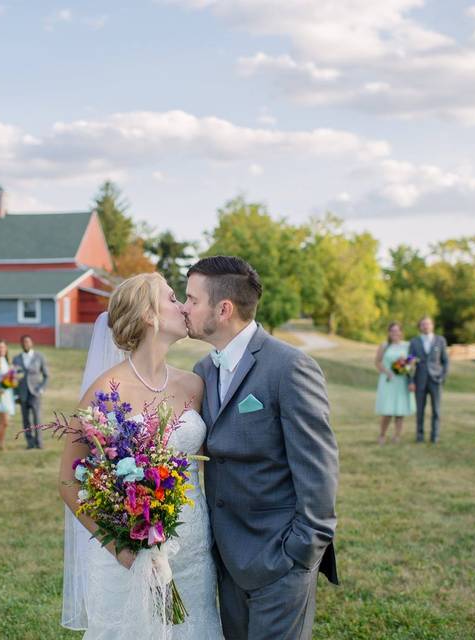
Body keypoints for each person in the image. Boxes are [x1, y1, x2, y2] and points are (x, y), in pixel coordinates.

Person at [58, 272, 223, 639]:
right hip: (128, 556)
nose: (182, 306)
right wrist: (121, 549)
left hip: (192, 548)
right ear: (149, 314)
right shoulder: (104, 392)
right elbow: (69, 480)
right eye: (171, 298)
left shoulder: (194, 385)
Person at [185, 256, 339, 640]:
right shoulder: (203, 370)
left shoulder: (289, 367)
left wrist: (300, 552)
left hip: (279, 558)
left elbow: (318, 469)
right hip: (226, 558)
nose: (184, 308)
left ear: (223, 309)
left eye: (191, 299)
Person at [408, 316, 449, 443]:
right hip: (419, 380)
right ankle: (419, 435)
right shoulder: (414, 342)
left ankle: (434, 435)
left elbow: (445, 361)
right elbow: (409, 363)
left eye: (428, 324)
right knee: (420, 410)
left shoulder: (440, 340)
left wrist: (442, 377)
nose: (426, 326)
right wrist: (410, 381)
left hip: (435, 380)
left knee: (436, 410)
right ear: (420, 327)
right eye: (423, 324)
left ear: (432, 325)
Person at [374, 321, 416, 444]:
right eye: (392, 331)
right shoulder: (384, 345)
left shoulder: (407, 346)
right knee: (387, 411)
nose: (395, 333)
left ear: (401, 332)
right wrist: (387, 372)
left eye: (397, 330)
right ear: (389, 332)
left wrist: (404, 364)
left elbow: (412, 362)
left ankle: (397, 436)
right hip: (388, 381)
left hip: (402, 381)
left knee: (399, 410)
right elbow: (377, 362)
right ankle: (382, 435)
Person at [13, 335, 48, 449]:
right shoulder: (16, 359)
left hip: (35, 392)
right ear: (21, 344)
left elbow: (46, 376)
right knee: (25, 419)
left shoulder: (39, 357)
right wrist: (15, 394)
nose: (25, 344)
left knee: (37, 418)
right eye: (23, 342)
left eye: (27, 342)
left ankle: (39, 443)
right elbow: (13, 378)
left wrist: (41, 388)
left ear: (31, 343)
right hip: (22, 393)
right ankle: (30, 443)